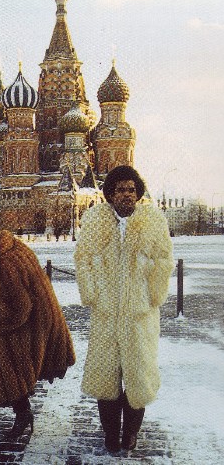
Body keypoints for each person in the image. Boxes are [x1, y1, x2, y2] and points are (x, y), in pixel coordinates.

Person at [74, 166, 174, 453]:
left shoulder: (153, 220)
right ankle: (110, 434)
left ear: (137, 192)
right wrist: (92, 292)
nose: (126, 195)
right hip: (106, 313)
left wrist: (153, 294)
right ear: (110, 194)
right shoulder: (95, 220)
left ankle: (130, 434)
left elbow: (164, 259)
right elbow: (83, 258)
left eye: (131, 189)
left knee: (137, 376)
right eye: (120, 190)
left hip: (139, 314)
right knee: (107, 376)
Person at [0, 224, 76, 438]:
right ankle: (17, 407)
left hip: (27, 321)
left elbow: (18, 306)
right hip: (42, 315)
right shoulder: (11, 246)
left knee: (6, 367)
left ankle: (22, 413)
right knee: (16, 368)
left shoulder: (0, 265)